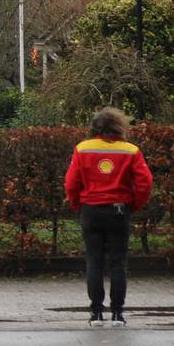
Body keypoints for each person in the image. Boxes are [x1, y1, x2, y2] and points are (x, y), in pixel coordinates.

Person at [64, 107, 153, 327]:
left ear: (95, 126)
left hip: (91, 210)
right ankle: (117, 314)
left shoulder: (82, 148)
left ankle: (95, 313)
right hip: (119, 210)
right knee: (118, 264)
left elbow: (71, 183)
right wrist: (134, 205)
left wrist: (78, 205)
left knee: (94, 262)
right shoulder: (131, 150)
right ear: (119, 126)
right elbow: (145, 183)